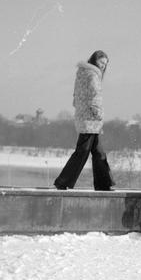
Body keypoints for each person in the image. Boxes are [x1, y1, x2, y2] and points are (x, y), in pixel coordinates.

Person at [54, 50, 115, 191]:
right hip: (91, 120)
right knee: (83, 152)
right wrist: (99, 114)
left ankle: (104, 184)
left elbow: (75, 98)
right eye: (101, 62)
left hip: (84, 118)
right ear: (94, 61)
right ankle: (62, 181)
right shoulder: (93, 75)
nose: (103, 66)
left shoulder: (82, 74)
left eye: (105, 64)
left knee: (98, 153)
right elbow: (95, 98)